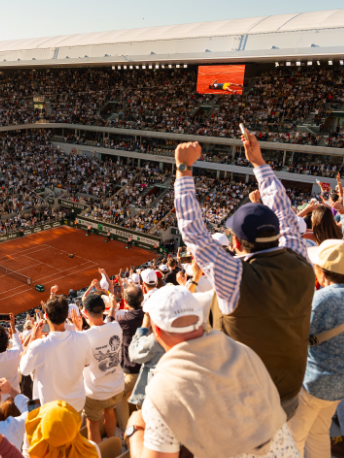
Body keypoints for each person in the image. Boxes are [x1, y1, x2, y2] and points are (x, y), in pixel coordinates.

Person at [174, 137, 315, 419]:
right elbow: (285, 213)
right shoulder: (301, 257)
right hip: (290, 389)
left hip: (243, 398)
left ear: (236, 244)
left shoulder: (234, 275)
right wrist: (259, 164)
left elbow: (193, 233)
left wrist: (183, 168)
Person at [125, 285, 300, 458]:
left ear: (156, 329)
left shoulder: (163, 390)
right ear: (200, 320)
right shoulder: (243, 352)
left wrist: (134, 431)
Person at [288, 174, 344, 458]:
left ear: (321, 273)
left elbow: (294, 338)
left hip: (315, 383)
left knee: (293, 438)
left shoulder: (322, 299)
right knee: (317, 436)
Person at [19, 295, 91, 413]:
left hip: (51, 411)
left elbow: (24, 370)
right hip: (76, 404)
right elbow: (87, 363)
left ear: (46, 315)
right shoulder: (82, 337)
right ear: (66, 315)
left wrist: (32, 339)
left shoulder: (38, 346)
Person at [80, 293, 124, 443]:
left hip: (96, 393)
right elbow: (109, 321)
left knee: (92, 424)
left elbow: (83, 363)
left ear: (85, 313)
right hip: (117, 387)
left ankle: (98, 452)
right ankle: (112, 442)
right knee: (109, 411)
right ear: (103, 310)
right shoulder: (116, 326)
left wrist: (79, 330)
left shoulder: (84, 336)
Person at [106, 284, 144, 430]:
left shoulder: (122, 320)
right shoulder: (148, 316)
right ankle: (143, 424)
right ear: (141, 299)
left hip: (130, 373)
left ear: (126, 302)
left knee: (120, 395)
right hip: (148, 371)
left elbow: (107, 327)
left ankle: (125, 431)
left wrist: (113, 308)